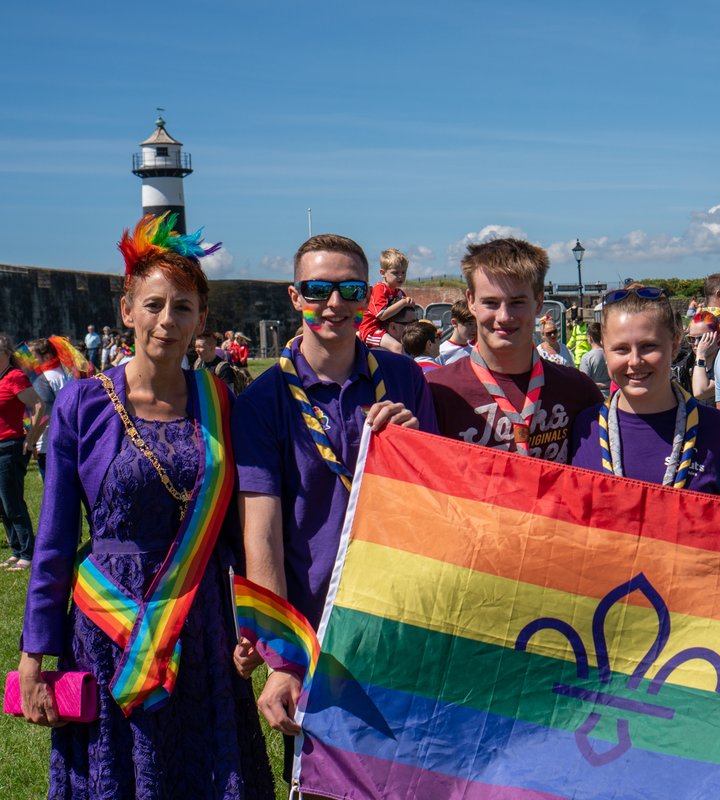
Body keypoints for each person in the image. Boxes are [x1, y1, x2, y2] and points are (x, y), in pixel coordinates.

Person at [18, 213, 273, 797]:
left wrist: (249, 621)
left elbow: (236, 528)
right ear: (127, 311)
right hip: (109, 626)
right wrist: (36, 650)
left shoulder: (222, 402)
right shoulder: (83, 406)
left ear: (201, 320)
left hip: (201, 618)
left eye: (183, 307)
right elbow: (54, 540)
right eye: (153, 305)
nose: (167, 320)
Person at [231, 233, 437, 771]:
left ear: (367, 295)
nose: (334, 303)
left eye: (349, 289)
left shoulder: (403, 378)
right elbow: (261, 533)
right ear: (294, 295)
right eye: (318, 288)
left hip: (399, 619)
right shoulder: (262, 401)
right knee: (324, 781)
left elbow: (436, 506)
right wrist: (283, 659)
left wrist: (414, 446)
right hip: (315, 627)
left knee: (409, 775)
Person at [427, 238, 602, 462]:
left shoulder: (578, 390)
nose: (504, 317)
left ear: (539, 302)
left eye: (517, 302)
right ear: (471, 302)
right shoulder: (436, 392)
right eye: (490, 302)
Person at [570, 285, 720, 494]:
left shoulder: (716, 428)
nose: (635, 361)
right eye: (621, 349)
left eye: (648, 346)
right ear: (605, 351)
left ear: (674, 345)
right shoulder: (583, 427)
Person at [0, 333, 43, 571]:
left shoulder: (14, 377)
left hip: (10, 447)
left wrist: (31, 437)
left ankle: (28, 553)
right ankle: (16, 550)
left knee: (12, 501)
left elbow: (38, 405)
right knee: (2, 504)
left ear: (7, 354)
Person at [29, 338, 73, 479]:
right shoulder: (67, 374)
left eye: (33, 356)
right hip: (71, 439)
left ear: (47, 356)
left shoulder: (44, 379)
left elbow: (44, 415)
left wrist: (32, 441)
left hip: (50, 444)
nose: (31, 361)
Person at [358, 247, 412, 353]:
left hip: (385, 329)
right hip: (370, 329)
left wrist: (410, 303)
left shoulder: (399, 292)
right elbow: (381, 315)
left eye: (403, 272)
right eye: (395, 273)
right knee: (397, 347)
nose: (400, 276)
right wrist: (403, 302)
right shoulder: (379, 289)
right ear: (383, 273)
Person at [686, 311, 720, 404]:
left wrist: (701, 355)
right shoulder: (687, 361)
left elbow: (700, 391)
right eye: (691, 339)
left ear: (717, 337)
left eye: (702, 338)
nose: (696, 344)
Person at [438, 299, 477, 366]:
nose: (474, 329)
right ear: (454, 323)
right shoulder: (441, 352)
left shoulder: (476, 351)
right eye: (470, 324)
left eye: (476, 325)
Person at [577, 322, 609, 398]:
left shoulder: (587, 357)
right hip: (611, 396)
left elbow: (584, 382)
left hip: (594, 397)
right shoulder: (610, 354)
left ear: (590, 338)